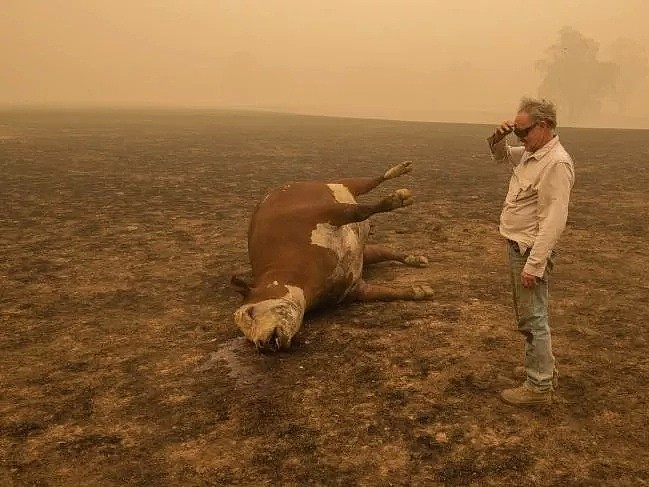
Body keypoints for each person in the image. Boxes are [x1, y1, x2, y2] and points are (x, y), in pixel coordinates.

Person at [487, 97, 575, 406]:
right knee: (530, 314)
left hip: (528, 251)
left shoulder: (556, 164)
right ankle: (540, 367)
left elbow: (553, 221)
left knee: (532, 317)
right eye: (516, 132)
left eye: (523, 132)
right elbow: (502, 157)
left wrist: (534, 266)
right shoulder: (533, 152)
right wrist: (497, 140)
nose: (519, 138)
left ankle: (538, 386)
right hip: (519, 247)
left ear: (545, 126)